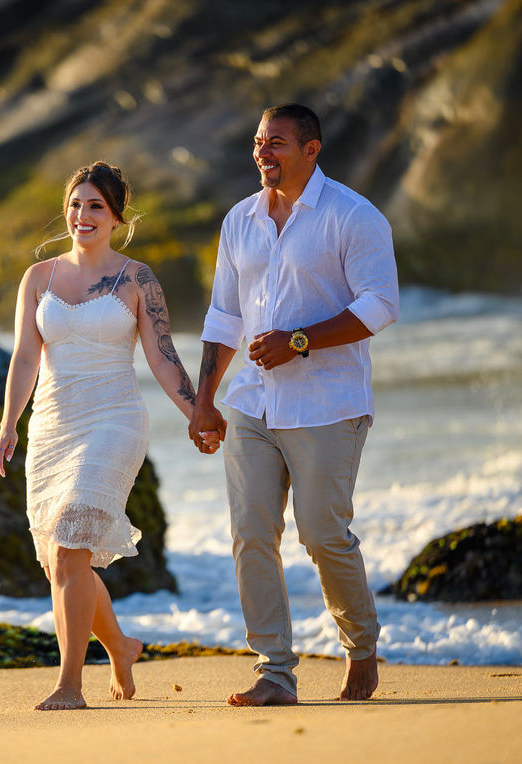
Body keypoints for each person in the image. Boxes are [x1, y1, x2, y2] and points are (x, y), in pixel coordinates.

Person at [188, 103, 400, 705]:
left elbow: (379, 305)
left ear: (312, 149)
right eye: (259, 142)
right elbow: (224, 316)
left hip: (327, 404)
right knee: (251, 533)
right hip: (251, 404)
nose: (263, 152)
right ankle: (274, 672)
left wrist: (299, 341)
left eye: (276, 142)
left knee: (323, 533)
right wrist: (204, 401)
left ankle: (361, 646)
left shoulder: (353, 216)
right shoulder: (240, 220)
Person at [0, 161, 215, 711]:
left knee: (71, 547)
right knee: (61, 562)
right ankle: (121, 646)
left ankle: (69, 685)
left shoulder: (137, 279)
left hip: (114, 420)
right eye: (75, 204)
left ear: (117, 217)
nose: (82, 215)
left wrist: (199, 412)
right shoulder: (38, 278)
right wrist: (8, 424)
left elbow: (162, 357)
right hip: (52, 426)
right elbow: (25, 358)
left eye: (95, 206)